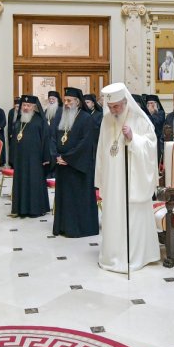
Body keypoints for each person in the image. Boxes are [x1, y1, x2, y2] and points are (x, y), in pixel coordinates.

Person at [95, 82, 160, 273]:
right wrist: (100, 180)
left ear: (125, 102)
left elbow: (151, 147)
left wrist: (133, 138)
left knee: (132, 215)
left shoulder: (140, 119)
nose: (113, 110)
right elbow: (101, 150)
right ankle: (113, 254)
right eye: (110, 107)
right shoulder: (107, 120)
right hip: (112, 178)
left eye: (116, 106)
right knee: (113, 215)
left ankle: (136, 256)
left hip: (132, 180)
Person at [52, 87, 99, 238]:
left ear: (77, 102)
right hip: (62, 166)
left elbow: (85, 143)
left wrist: (68, 158)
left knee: (77, 199)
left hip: (78, 167)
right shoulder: (62, 116)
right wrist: (56, 155)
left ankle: (78, 228)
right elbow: (53, 137)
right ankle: (63, 226)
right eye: (65, 100)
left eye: (69, 101)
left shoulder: (86, 118)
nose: (65, 103)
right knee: (64, 198)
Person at [10, 95, 50, 218]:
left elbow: (46, 140)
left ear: (34, 107)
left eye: (28, 105)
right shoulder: (18, 120)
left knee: (34, 182)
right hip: (20, 159)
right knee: (21, 182)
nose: (26, 108)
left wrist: (46, 158)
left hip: (35, 160)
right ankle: (21, 208)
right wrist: (12, 158)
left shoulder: (40, 120)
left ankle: (35, 209)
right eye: (24, 105)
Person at [6, 96, 22, 168]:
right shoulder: (11, 112)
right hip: (12, 134)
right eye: (16, 106)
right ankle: (12, 163)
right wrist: (10, 133)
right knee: (12, 149)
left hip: (20, 134)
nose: (17, 108)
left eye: (18, 106)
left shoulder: (22, 112)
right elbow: (9, 124)